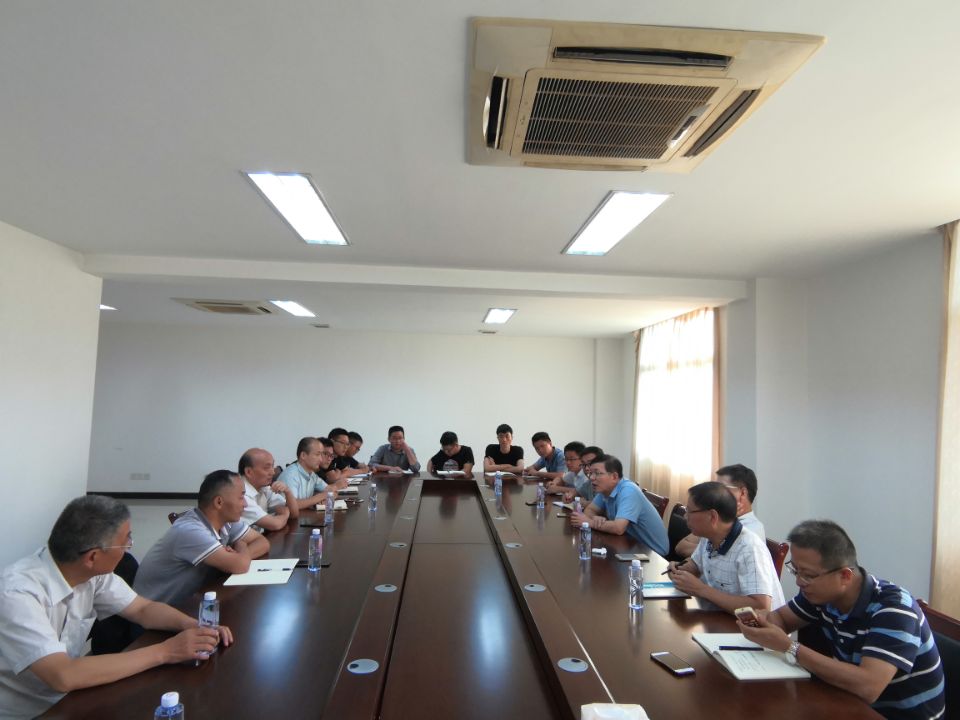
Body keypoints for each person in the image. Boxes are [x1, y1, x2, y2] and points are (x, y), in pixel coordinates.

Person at [0, 496, 232, 718]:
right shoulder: (16, 594)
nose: (128, 548)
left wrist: (195, 626)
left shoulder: (90, 572)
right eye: (125, 542)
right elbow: (63, 674)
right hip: (31, 712)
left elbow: (142, 609)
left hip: (73, 698)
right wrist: (167, 651)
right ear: (92, 557)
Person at [738, 520, 944, 720]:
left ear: (845, 575)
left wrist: (790, 647)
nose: (800, 581)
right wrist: (765, 622)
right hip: (849, 703)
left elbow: (868, 686)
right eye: (796, 570)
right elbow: (781, 618)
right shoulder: (820, 594)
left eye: (808, 575)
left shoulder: (894, 610)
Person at [134, 470, 269, 606]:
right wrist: (241, 546)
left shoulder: (226, 520)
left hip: (191, 602)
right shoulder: (190, 530)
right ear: (219, 502)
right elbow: (240, 565)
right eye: (241, 497)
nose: (245, 504)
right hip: (155, 611)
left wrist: (241, 555)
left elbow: (262, 542)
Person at [667, 481, 784, 613]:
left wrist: (702, 590)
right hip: (718, 617)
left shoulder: (749, 548)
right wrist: (679, 570)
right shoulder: (709, 536)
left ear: (712, 516)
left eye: (689, 511)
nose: (685, 516)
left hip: (752, 625)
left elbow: (760, 607)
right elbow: (695, 565)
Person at [569, 455, 668, 556]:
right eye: (591, 473)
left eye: (597, 473)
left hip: (652, 553)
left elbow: (618, 528)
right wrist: (595, 517)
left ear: (614, 477)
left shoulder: (628, 491)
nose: (591, 478)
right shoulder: (605, 489)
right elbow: (589, 510)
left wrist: (590, 522)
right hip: (629, 543)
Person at [674, 463, 766, 558]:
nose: (715, 494)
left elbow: (720, 558)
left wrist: (706, 551)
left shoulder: (752, 531)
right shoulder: (718, 518)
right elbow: (681, 547)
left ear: (742, 493)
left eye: (722, 489)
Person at [239, 447, 299, 531]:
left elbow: (294, 514)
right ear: (249, 472)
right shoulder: (241, 495)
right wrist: (285, 514)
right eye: (266, 468)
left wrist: (287, 491)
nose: (273, 472)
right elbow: (275, 524)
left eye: (272, 466)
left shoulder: (264, 488)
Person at [276, 436, 339, 510]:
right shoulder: (290, 475)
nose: (321, 459)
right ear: (303, 455)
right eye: (317, 454)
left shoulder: (312, 474)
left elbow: (332, 491)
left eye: (321, 455)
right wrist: (320, 497)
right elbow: (292, 505)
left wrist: (326, 498)